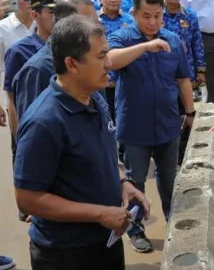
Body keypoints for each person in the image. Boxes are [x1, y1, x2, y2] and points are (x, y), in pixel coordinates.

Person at [13, 14, 150, 270]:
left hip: (105, 241)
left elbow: (104, 153)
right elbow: (28, 199)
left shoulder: (94, 98)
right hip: (66, 254)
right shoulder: (44, 122)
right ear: (72, 64)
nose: (109, 64)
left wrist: (123, 182)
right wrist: (100, 213)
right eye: (100, 57)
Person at [107, 0, 195, 253]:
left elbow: (183, 79)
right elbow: (109, 61)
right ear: (133, 14)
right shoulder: (122, 38)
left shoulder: (173, 40)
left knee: (170, 179)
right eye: (146, 16)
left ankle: (173, 224)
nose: (153, 22)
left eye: (158, 16)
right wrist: (145, 47)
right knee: (134, 183)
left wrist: (190, 114)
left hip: (168, 124)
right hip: (134, 127)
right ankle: (136, 230)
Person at [13, 0, 97, 120]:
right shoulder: (37, 69)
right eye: (88, 23)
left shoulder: (89, 58)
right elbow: (32, 126)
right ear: (67, 25)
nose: (96, 28)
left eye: (96, 22)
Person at [5, 0, 58, 159]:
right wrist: (23, 144)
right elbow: (13, 101)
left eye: (61, 11)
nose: (58, 17)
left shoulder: (73, 47)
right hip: (36, 133)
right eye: (52, 12)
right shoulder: (19, 52)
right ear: (35, 16)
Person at [160, 0, 206, 164]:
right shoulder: (156, 15)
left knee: (188, 112)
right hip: (163, 74)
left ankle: (183, 155)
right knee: (169, 112)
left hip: (186, 74)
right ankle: (167, 153)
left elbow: (197, 43)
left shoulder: (190, 16)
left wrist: (201, 70)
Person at [97, 0, 135, 123]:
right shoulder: (93, 21)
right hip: (101, 83)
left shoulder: (130, 21)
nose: (113, 0)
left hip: (126, 81)